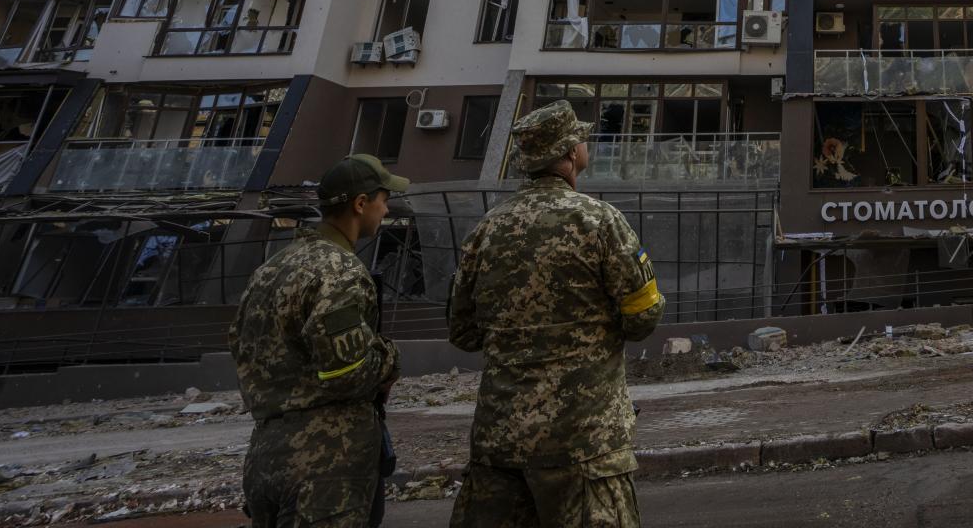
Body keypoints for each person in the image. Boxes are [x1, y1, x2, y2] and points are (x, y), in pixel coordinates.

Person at [448, 101, 666, 527]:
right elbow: (643, 318)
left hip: (500, 444)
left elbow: (463, 332)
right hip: (582, 442)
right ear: (570, 153)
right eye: (581, 139)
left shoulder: (486, 230)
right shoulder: (599, 221)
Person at [230, 152, 407, 527]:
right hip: (326, 459)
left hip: (265, 451)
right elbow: (348, 372)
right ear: (361, 203)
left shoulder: (272, 268)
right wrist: (389, 359)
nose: (387, 209)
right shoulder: (339, 271)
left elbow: (242, 347)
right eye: (384, 199)